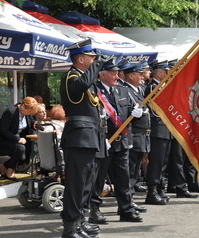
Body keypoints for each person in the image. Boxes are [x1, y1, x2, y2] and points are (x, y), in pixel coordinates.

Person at [59, 39, 110, 238]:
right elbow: (80, 86)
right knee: (76, 184)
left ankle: (79, 222)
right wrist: (98, 66)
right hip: (78, 137)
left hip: (90, 136)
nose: (95, 60)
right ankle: (70, 228)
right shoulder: (71, 76)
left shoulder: (85, 79)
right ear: (80, 59)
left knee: (87, 184)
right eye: (92, 57)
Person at [89, 61, 144, 225]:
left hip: (121, 143)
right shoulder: (93, 91)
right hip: (104, 142)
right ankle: (94, 211)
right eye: (113, 73)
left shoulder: (123, 90)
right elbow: (92, 118)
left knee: (123, 179)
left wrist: (136, 114)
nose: (116, 76)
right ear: (102, 74)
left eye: (117, 73)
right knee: (98, 180)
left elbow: (126, 115)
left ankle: (126, 210)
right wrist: (100, 137)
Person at [118, 61, 151, 211]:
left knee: (136, 169)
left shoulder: (138, 91)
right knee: (130, 170)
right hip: (134, 134)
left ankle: (130, 200)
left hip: (141, 136)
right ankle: (127, 202)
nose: (142, 77)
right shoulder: (126, 90)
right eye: (139, 74)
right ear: (131, 76)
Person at [143, 60, 173, 205]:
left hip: (165, 129)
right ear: (160, 73)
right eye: (167, 72)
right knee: (156, 162)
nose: (169, 75)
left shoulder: (162, 87)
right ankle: (152, 191)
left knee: (163, 162)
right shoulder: (152, 88)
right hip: (157, 128)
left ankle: (160, 188)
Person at [0, 97, 38, 181]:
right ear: (23, 105)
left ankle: (4, 166)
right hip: (4, 140)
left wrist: (35, 126)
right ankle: (9, 172)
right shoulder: (10, 112)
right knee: (20, 149)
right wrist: (17, 139)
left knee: (24, 156)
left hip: (17, 140)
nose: (28, 113)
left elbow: (31, 124)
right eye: (28, 111)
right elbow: (3, 130)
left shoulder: (27, 115)